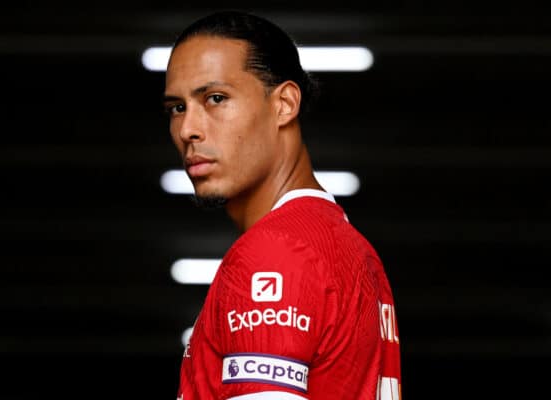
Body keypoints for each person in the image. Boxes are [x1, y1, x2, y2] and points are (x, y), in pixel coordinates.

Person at [162, 10, 401, 400]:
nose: (188, 129)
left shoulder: (276, 253)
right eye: (177, 107)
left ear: (285, 104)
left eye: (215, 99)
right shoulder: (351, 250)